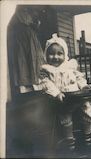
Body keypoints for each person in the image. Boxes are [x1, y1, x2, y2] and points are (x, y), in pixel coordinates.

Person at [7, 5, 53, 156]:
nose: (35, 17)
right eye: (33, 13)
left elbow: (36, 57)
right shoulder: (19, 30)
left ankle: (35, 139)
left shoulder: (31, 32)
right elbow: (22, 58)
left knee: (35, 110)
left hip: (34, 79)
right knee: (25, 109)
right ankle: (27, 142)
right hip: (24, 79)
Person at [39, 33, 91, 153]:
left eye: (59, 53)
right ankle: (70, 140)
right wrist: (56, 93)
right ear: (46, 55)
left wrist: (84, 85)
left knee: (87, 107)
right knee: (65, 114)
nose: (55, 57)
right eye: (51, 54)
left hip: (78, 95)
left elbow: (79, 77)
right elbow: (46, 83)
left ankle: (88, 135)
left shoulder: (69, 66)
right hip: (63, 98)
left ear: (65, 55)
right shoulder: (46, 70)